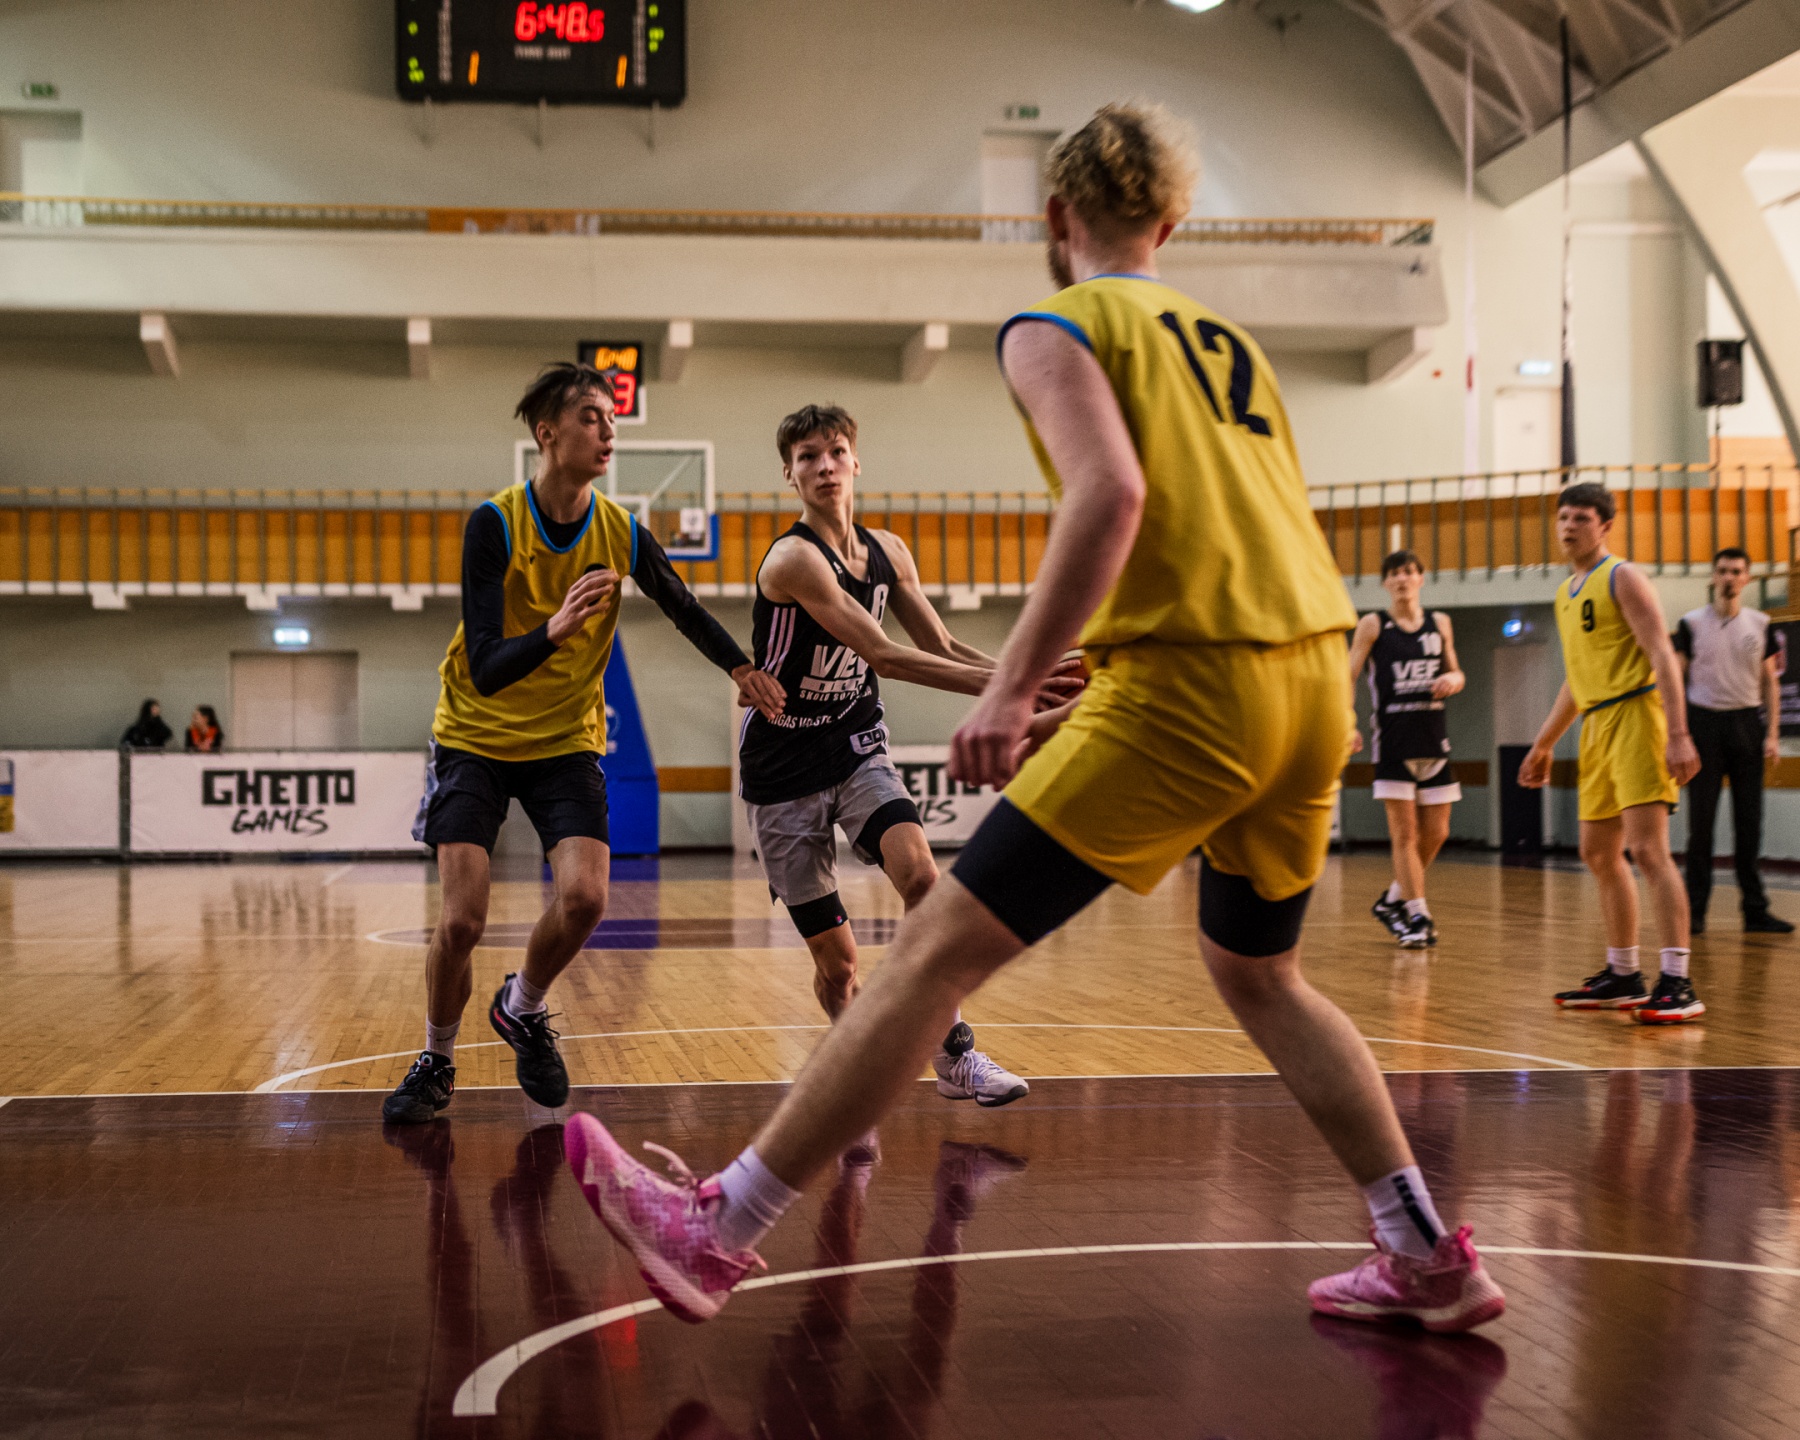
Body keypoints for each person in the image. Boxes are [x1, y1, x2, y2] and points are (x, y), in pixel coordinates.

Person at [563, 102, 1507, 1334]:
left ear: (1055, 218)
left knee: (930, 949)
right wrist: (1053, 666)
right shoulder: (1229, 339)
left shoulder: (1055, 323)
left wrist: (1014, 687)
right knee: (1261, 972)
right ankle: (1425, 1250)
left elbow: (1111, 495)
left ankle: (718, 1227)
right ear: (1171, 222)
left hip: (1196, 686)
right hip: (1313, 680)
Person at [381, 362, 784, 1125]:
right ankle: (436, 1059)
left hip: (566, 738)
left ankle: (522, 1006)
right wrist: (556, 628)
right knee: (462, 922)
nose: (608, 431)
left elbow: (683, 606)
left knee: (588, 898)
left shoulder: (620, 530)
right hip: (474, 733)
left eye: (611, 420)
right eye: (592, 417)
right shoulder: (495, 523)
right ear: (548, 433)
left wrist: (740, 667)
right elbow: (487, 666)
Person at [738, 403, 1057, 1108]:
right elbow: (885, 655)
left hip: (854, 742)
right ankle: (851, 1073)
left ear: (856, 461)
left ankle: (954, 1055)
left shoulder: (889, 552)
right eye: (808, 457)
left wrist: (1026, 677)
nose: (825, 466)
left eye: (836, 451)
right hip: (783, 766)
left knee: (924, 880)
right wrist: (1018, 690)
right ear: (790, 475)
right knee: (839, 965)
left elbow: (941, 645)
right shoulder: (794, 559)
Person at [1519, 483, 1704, 1022]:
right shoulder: (1565, 592)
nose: (1568, 526)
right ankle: (1624, 974)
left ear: (1604, 526)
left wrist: (1678, 733)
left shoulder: (1623, 577)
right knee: (1598, 853)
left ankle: (1679, 980)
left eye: (1580, 518)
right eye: (1563, 517)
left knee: (1648, 850)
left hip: (1637, 716)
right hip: (1596, 724)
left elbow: (1662, 654)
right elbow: (1576, 681)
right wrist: (1543, 743)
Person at [1348, 551, 1465, 950]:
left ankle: (1393, 900)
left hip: (1433, 738)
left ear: (1421, 579)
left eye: (1409, 572)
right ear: (1385, 583)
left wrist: (1454, 679)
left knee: (1438, 832)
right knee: (1405, 833)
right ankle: (1418, 914)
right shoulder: (1373, 624)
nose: (1402, 579)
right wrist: (1347, 721)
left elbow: (1455, 670)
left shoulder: (1440, 622)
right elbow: (1348, 674)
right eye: (1394, 574)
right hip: (1393, 742)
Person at [1674, 547, 1794, 934]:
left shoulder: (1760, 623)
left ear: (1746, 578)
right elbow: (1675, 679)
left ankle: (1755, 910)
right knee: (1701, 826)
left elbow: (1770, 683)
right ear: (1714, 577)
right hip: (1703, 726)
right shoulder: (1691, 624)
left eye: (1736, 571)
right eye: (1723, 570)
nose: (1729, 577)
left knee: (1749, 823)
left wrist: (1771, 734)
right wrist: (1677, 733)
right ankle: (1694, 911)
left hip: (1746, 724)